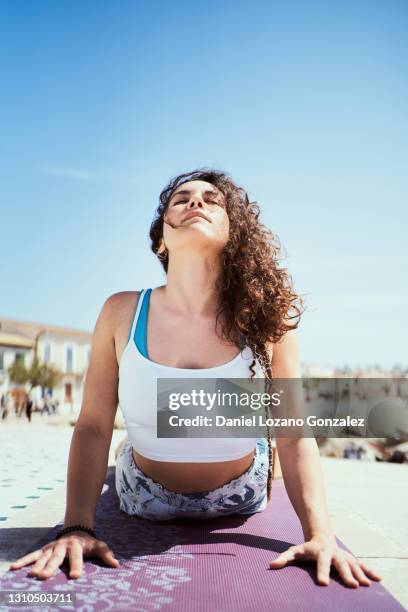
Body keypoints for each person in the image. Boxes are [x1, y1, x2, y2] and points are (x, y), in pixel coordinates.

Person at [9, 169, 381, 588]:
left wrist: (320, 535)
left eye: (211, 200)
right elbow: (93, 424)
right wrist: (77, 526)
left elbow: (294, 435)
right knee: (131, 442)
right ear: (161, 241)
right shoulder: (121, 312)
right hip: (142, 493)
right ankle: (130, 447)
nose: (196, 203)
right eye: (181, 199)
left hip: (241, 492)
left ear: (232, 234)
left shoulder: (265, 320)